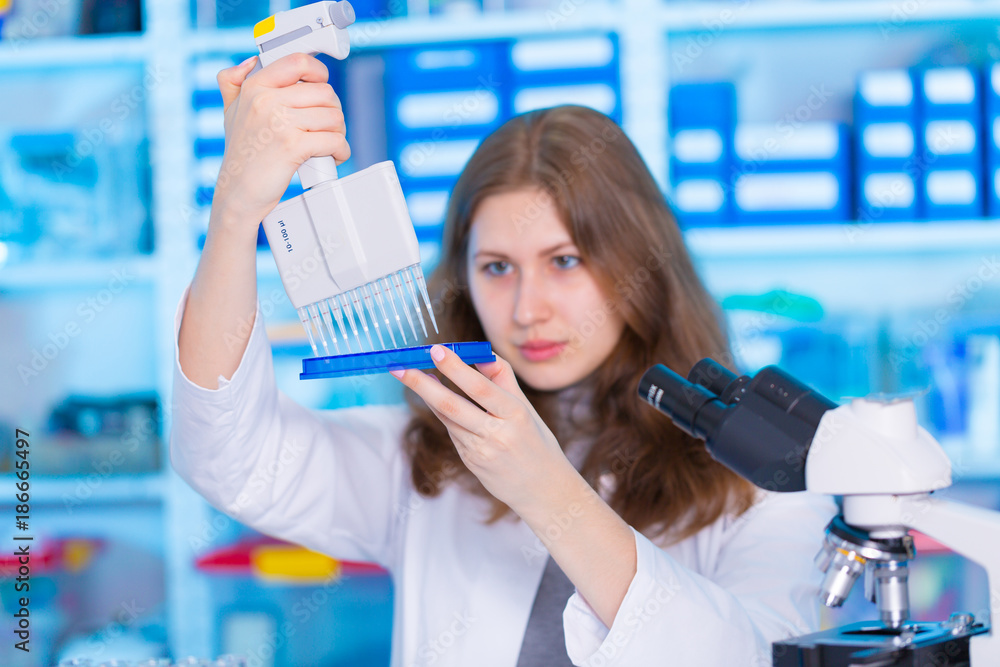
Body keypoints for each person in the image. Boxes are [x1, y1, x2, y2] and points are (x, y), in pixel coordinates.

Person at [171, 52, 836, 666]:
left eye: (565, 260)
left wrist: (548, 490)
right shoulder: (427, 459)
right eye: (495, 267)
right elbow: (229, 456)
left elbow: (747, 657)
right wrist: (235, 210)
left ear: (641, 265)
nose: (526, 308)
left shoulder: (760, 483)